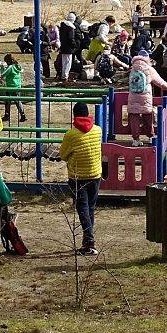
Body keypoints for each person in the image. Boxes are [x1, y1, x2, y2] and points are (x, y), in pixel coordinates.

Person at [59, 102, 103, 256]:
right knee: (90, 208)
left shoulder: (71, 134)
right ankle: (87, 242)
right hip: (95, 174)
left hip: (78, 176)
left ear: (74, 115)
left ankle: (90, 241)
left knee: (82, 208)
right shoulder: (98, 130)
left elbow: (63, 155)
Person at [127, 54, 167, 146]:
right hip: (145, 96)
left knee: (134, 116)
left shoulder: (133, 69)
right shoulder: (148, 69)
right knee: (147, 116)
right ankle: (150, 137)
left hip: (133, 96)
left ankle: (135, 139)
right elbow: (159, 81)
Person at [0, 54, 28, 122]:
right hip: (17, 86)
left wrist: (2, 67)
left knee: (7, 101)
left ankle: (7, 115)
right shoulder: (17, 66)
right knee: (18, 101)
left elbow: (3, 74)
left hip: (10, 87)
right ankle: (23, 115)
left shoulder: (10, 67)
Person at [58, 12, 78, 81]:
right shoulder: (70, 27)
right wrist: (75, 45)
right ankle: (65, 76)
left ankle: (63, 75)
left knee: (64, 62)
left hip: (63, 46)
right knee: (68, 63)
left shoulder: (62, 26)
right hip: (69, 48)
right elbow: (71, 38)